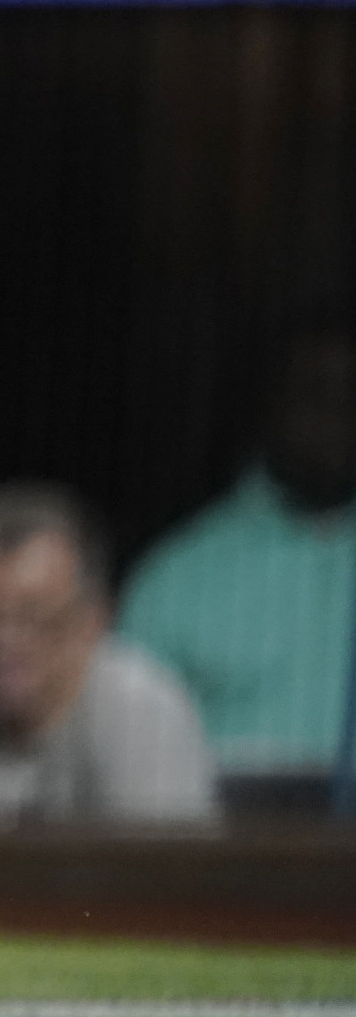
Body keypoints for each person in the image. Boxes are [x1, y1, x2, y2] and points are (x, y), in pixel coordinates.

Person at [0, 481, 216, 828]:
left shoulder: (139, 709)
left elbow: (164, 876)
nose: (4, 639)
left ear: (94, 620)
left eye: (32, 616)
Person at [119, 329, 356, 783]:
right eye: (314, 394)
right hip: (227, 841)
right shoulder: (177, 576)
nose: (334, 417)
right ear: (271, 404)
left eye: (350, 397)